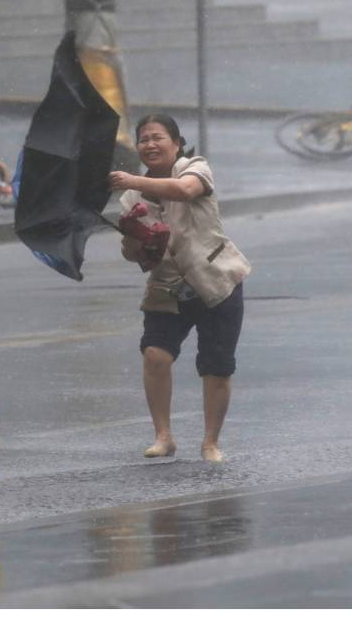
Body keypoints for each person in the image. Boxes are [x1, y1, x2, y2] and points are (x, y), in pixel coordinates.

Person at [106, 113, 250, 463]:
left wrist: (133, 180)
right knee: (156, 356)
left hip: (216, 281)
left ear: (176, 143)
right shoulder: (130, 197)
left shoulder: (195, 167)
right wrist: (135, 237)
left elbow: (184, 191)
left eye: (158, 137)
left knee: (216, 367)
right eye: (143, 139)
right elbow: (133, 255)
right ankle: (163, 436)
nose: (150, 145)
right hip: (166, 286)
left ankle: (210, 443)